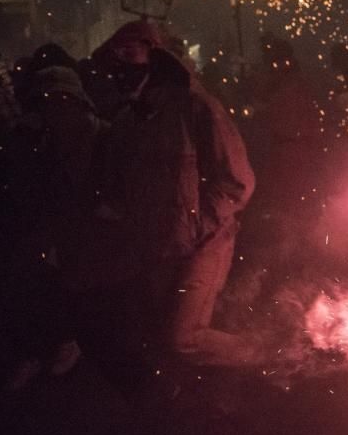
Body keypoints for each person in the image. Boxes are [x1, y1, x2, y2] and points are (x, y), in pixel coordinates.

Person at [95, 19, 258, 373]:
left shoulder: (195, 108)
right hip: (156, 246)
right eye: (116, 56)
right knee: (159, 338)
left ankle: (268, 359)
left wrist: (197, 226)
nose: (120, 65)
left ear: (155, 56)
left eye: (129, 53)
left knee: (182, 338)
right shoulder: (127, 122)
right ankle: (196, 404)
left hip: (205, 243)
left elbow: (237, 182)